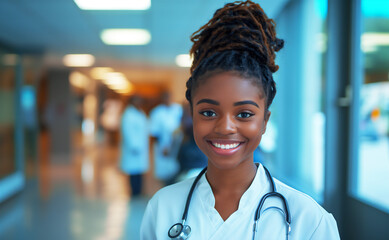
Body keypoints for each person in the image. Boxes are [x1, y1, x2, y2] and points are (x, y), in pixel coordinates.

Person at [140, 1, 340, 239]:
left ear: (265, 121)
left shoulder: (309, 221)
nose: (225, 127)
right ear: (191, 116)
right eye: (208, 112)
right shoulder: (162, 207)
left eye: (244, 114)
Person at [149, 91, 183, 185]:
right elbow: (154, 132)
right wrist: (162, 146)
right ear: (162, 99)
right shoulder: (157, 112)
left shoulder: (178, 109)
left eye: (169, 97)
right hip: (162, 145)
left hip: (177, 144)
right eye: (165, 98)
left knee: (176, 170)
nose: (167, 100)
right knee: (164, 171)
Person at [119, 95, 149, 196]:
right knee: (133, 172)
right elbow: (128, 132)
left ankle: (139, 191)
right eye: (137, 101)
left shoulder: (139, 112)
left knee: (139, 171)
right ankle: (134, 192)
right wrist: (134, 146)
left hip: (141, 147)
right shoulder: (128, 115)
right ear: (131, 102)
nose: (139, 103)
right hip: (134, 148)